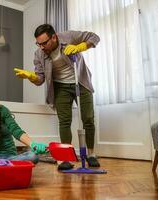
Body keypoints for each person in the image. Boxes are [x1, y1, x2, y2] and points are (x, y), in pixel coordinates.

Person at [14, 24, 100, 169]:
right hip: (60, 87)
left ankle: (91, 154)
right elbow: (40, 79)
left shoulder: (69, 37)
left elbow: (94, 37)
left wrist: (81, 47)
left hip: (81, 82)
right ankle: (65, 158)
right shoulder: (39, 54)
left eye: (44, 43)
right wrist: (31, 77)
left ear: (53, 37)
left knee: (88, 119)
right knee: (64, 121)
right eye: (38, 43)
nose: (41, 47)